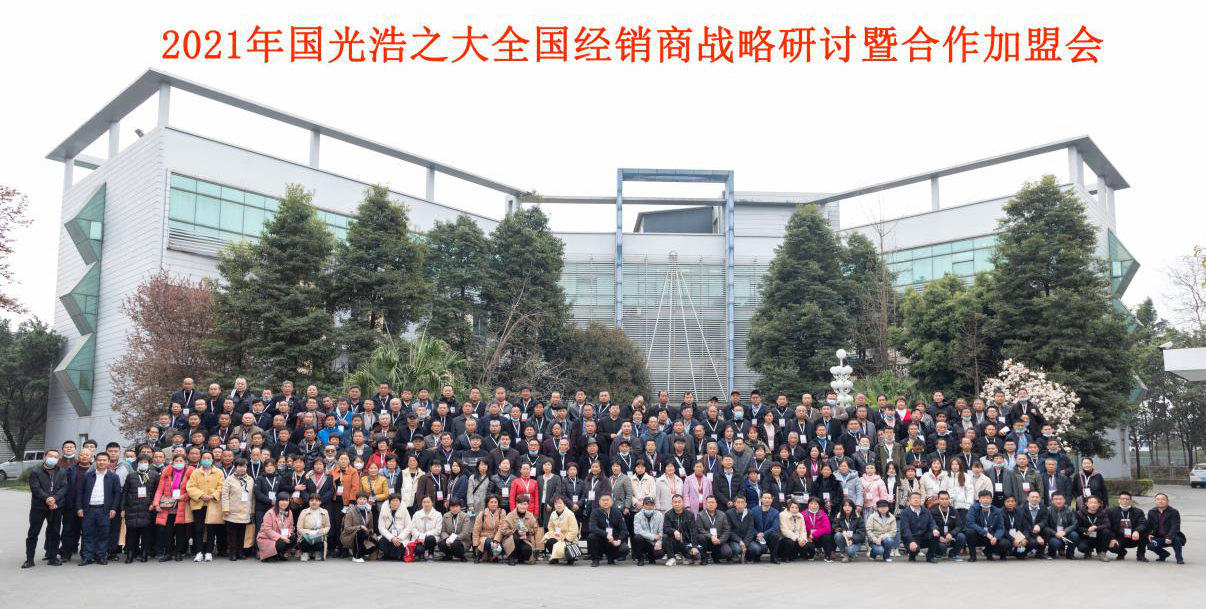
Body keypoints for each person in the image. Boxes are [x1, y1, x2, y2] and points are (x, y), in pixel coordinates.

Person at [75, 451, 121, 566]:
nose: (101, 462)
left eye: (104, 460)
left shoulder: (114, 477)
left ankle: (101, 556)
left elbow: (117, 494)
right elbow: (80, 492)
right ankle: (87, 557)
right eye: (99, 460)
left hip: (104, 510)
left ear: (108, 462)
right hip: (88, 509)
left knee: (103, 534)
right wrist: (79, 507)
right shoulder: (87, 475)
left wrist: (114, 509)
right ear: (95, 461)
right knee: (87, 534)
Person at [25, 450, 68, 568]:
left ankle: (52, 557)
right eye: (50, 456)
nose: (53, 458)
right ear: (45, 456)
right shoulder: (35, 472)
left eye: (55, 457)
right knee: (33, 533)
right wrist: (47, 498)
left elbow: (64, 488)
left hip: (56, 507)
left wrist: (54, 498)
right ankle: (29, 559)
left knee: (55, 532)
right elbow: (35, 488)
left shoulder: (62, 472)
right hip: (38, 507)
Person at [184, 451, 224, 562]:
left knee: (211, 529)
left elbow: (221, 486)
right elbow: (190, 487)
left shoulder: (219, 472)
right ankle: (199, 552)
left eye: (208, 458)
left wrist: (213, 496)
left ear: (212, 459)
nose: (206, 460)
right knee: (198, 529)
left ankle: (209, 552)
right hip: (198, 504)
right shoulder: (196, 472)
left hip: (212, 504)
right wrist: (201, 495)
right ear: (201, 459)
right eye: (204, 458)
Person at [152, 454, 193, 562]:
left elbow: (192, 489)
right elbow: (159, 490)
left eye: (181, 461)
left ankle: (178, 553)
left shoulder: (189, 473)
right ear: (172, 462)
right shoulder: (167, 473)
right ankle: (168, 553)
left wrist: (184, 496)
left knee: (180, 532)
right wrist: (156, 504)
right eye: (176, 461)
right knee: (168, 532)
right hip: (168, 507)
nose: (178, 463)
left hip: (182, 506)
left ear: (185, 462)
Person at [121, 455, 158, 563]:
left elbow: (156, 492)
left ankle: (144, 553)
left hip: (147, 507)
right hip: (132, 507)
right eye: (141, 462)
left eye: (145, 462)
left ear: (149, 463)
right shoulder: (131, 475)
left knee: (146, 533)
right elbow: (125, 492)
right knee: (131, 533)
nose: (143, 464)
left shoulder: (154, 475)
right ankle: (130, 554)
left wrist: (153, 503)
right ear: (137, 463)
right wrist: (122, 508)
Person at [220, 458, 253, 560]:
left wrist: (252, 510)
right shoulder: (229, 479)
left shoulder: (250, 480)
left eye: (244, 466)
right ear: (235, 467)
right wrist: (225, 508)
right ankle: (232, 553)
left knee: (241, 533)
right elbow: (225, 495)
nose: (242, 468)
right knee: (232, 534)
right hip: (232, 511)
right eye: (239, 466)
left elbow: (252, 496)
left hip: (245, 511)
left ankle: (240, 552)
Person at [587, 492, 629, 567]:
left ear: (612, 502)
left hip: (614, 540)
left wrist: (619, 540)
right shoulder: (595, 513)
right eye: (603, 500)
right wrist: (606, 534)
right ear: (599, 502)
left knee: (625, 549)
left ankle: (611, 557)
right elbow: (593, 528)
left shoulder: (617, 512)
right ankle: (595, 559)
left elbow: (624, 529)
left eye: (608, 500)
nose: (605, 502)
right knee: (591, 537)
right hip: (601, 540)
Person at [966, 490, 1008, 561]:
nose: (985, 500)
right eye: (983, 498)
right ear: (979, 499)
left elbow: (1000, 528)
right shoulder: (973, 508)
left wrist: (996, 537)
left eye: (988, 498)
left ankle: (988, 552)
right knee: (970, 532)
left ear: (991, 499)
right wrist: (985, 533)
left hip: (991, 536)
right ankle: (973, 555)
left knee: (1005, 543)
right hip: (978, 535)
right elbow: (970, 523)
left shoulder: (997, 511)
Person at [1107, 491, 1149, 561]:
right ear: (1119, 500)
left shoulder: (1138, 511)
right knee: (1112, 546)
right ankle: (1122, 552)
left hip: (1134, 537)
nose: (1125, 500)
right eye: (1122, 499)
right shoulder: (1111, 511)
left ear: (1130, 501)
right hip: (1119, 537)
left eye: (1127, 499)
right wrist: (1112, 538)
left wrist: (1137, 531)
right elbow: (1108, 526)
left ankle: (1140, 555)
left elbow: (1143, 523)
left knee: (1144, 534)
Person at [497, 494, 539, 565]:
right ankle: (511, 557)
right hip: (511, 540)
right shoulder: (510, 515)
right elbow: (504, 530)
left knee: (527, 550)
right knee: (515, 537)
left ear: (528, 505)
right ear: (516, 504)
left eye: (525, 504)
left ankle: (520, 557)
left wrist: (528, 531)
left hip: (524, 540)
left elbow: (535, 529)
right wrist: (516, 532)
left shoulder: (530, 515)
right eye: (520, 504)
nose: (523, 506)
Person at [1146, 492, 1185, 564]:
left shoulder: (1173, 512)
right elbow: (1148, 525)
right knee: (1151, 545)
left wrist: (1169, 537)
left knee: (1177, 540)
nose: (1160, 501)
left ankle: (1179, 558)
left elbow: (1175, 526)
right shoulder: (1152, 512)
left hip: (1172, 535)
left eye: (1163, 499)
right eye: (1158, 499)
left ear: (1167, 501)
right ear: (1155, 501)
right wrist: (1150, 534)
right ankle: (1163, 554)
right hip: (1158, 536)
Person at [662, 494, 699, 566]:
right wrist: (674, 531)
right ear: (672, 503)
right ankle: (672, 558)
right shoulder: (668, 514)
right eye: (675, 502)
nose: (677, 504)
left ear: (683, 502)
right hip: (674, 542)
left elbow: (693, 531)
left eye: (679, 502)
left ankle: (686, 556)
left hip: (686, 542)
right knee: (665, 537)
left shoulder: (690, 514)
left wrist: (694, 546)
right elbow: (666, 528)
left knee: (697, 556)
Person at [256, 492, 295, 561]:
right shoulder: (270, 513)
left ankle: (279, 554)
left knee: (293, 538)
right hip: (267, 538)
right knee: (281, 542)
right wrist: (281, 537)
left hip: (282, 536)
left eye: (286, 500)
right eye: (282, 500)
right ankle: (269, 555)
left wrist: (288, 533)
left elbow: (291, 526)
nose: (284, 502)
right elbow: (268, 530)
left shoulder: (290, 512)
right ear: (277, 501)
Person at [900, 491, 937, 562]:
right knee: (914, 549)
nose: (916, 499)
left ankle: (930, 556)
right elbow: (905, 529)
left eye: (918, 498)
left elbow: (932, 522)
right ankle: (912, 555)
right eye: (914, 498)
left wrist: (934, 529)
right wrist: (911, 541)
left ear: (921, 500)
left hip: (924, 536)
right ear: (909, 500)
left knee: (935, 535)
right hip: (912, 537)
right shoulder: (905, 512)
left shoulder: (926, 511)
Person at [341, 491, 377, 563]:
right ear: (356, 500)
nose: (362, 501)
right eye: (360, 499)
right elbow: (347, 529)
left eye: (364, 499)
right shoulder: (350, 511)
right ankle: (356, 556)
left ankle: (360, 551)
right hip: (349, 536)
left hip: (364, 535)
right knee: (360, 531)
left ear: (367, 500)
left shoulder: (369, 512)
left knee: (375, 544)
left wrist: (369, 531)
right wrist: (360, 527)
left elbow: (371, 527)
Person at [695, 495, 732, 564]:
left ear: (716, 504)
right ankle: (704, 557)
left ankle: (715, 556)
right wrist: (711, 536)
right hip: (707, 540)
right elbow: (700, 529)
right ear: (705, 504)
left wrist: (720, 540)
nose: (711, 504)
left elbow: (726, 530)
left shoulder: (722, 515)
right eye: (709, 502)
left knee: (727, 553)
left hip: (718, 540)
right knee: (700, 537)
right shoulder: (700, 515)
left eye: (712, 502)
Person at [377, 493, 414, 561]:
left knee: (399, 545)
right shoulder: (383, 511)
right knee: (383, 541)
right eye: (393, 501)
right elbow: (381, 527)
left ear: (400, 502)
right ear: (389, 502)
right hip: (389, 536)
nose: (395, 503)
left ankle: (395, 555)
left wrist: (400, 538)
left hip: (401, 537)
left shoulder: (405, 511)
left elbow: (409, 526)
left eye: (397, 501)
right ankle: (388, 554)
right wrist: (391, 538)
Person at [1043, 492, 1079, 559]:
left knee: (1075, 535)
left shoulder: (1070, 509)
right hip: (1054, 534)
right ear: (1052, 501)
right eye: (1056, 499)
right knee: (1055, 543)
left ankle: (1070, 553)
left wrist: (1065, 531)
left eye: (1060, 499)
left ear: (1064, 500)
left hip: (1066, 532)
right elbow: (1045, 525)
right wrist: (1055, 533)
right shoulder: (1047, 510)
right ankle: (1051, 553)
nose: (1058, 501)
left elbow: (1075, 523)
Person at [1076, 495, 1112, 561]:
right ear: (1086, 504)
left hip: (1098, 537)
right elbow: (1077, 527)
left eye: (1095, 503)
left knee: (1106, 531)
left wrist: (1096, 528)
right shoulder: (1080, 513)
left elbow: (1107, 524)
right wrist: (1086, 530)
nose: (1093, 504)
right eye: (1091, 502)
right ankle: (1088, 551)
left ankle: (1102, 553)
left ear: (1099, 504)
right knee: (1082, 547)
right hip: (1086, 537)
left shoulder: (1103, 512)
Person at [632, 496, 665, 566]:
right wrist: (653, 537)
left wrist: (658, 544)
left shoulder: (659, 515)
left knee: (660, 553)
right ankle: (640, 559)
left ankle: (651, 557)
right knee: (637, 537)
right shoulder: (637, 516)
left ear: (654, 505)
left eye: (651, 504)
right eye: (647, 504)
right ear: (643, 505)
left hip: (654, 543)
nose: (649, 507)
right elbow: (638, 531)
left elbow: (661, 532)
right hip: (644, 542)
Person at [297, 493, 331, 560]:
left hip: (319, 534)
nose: (314, 502)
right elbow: (299, 528)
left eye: (316, 500)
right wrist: (309, 532)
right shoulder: (304, 512)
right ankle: (305, 553)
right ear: (309, 502)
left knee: (320, 541)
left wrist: (320, 532)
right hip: (307, 535)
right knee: (304, 540)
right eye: (312, 500)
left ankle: (317, 552)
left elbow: (328, 526)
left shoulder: (325, 512)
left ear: (320, 502)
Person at [472, 495, 505, 563]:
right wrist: (475, 545)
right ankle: (478, 555)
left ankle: (492, 555)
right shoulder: (482, 513)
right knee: (488, 542)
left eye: (495, 502)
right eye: (491, 502)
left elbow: (501, 529)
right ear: (487, 503)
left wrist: (496, 541)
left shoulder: (502, 512)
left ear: (498, 503)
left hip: (498, 537)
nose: (494, 504)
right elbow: (476, 530)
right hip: (485, 537)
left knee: (498, 546)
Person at [750, 491, 781, 563]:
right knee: (760, 548)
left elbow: (774, 527)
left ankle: (773, 557)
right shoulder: (754, 510)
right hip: (757, 536)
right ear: (761, 499)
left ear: (772, 500)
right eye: (765, 498)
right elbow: (750, 526)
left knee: (775, 535)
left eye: (769, 498)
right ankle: (756, 555)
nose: (767, 500)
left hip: (768, 536)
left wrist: (763, 534)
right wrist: (757, 534)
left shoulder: (775, 512)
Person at [832, 498, 865, 563]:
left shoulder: (858, 517)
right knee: (837, 535)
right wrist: (842, 531)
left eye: (849, 506)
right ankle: (845, 554)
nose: (847, 508)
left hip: (855, 541)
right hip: (844, 539)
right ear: (842, 507)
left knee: (850, 550)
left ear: (853, 507)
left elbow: (862, 532)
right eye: (845, 506)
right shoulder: (839, 516)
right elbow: (835, 526)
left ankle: (850, 553)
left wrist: (852, 540)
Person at [800, 496, 833, 562]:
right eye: (811, 503)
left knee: (827, 536)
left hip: (820, 538)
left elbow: (827, 528)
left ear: (819, 505)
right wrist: (806, 537)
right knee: (807, 544)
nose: (813, 506)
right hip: (808, 537)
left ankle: (827, 555)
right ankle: (811, 554)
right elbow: (801, 528)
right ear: (808, 505)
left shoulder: (822, 514)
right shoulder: (803, 514)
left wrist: (814, 534)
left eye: (816, 504)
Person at [411, 495, 443, 561]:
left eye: (428, 502)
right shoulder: (416, 514)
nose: (426, 504)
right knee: (419, 550)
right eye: (424, 502)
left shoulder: (438, 515)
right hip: (418, 538)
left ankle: (430, 554)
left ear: (432, 503)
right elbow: (413, 528)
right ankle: (421, 553)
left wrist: (425, 535)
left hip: (431, 538)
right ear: (422, 503)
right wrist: (419, 535)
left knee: (430, 538)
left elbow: (438, 530)